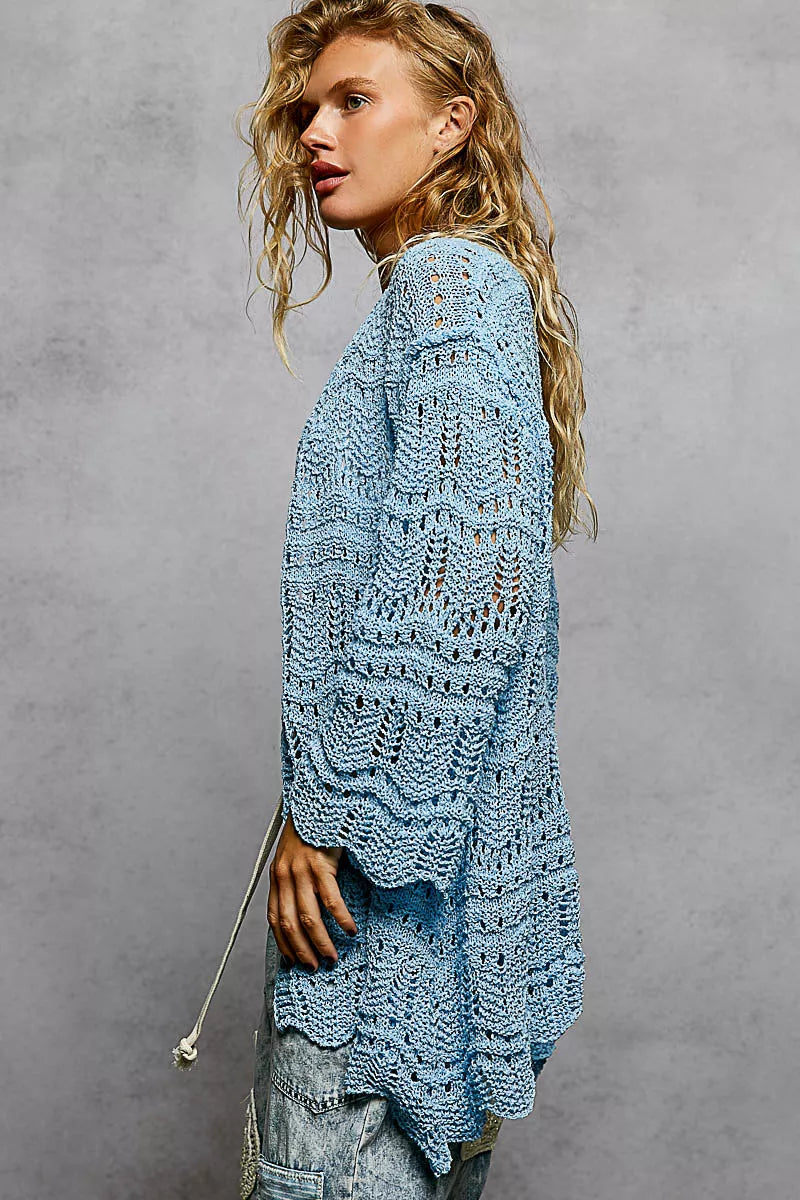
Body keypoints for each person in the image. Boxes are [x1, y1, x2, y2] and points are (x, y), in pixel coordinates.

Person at [233, 2, 597, 1196]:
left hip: (377, 925)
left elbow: (465, 591)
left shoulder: (446, 284)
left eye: (353, 101)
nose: (314, 134)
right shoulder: (440, 297)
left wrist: (326, 816)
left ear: (452, 125)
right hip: (416, 919)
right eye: (306, 109)